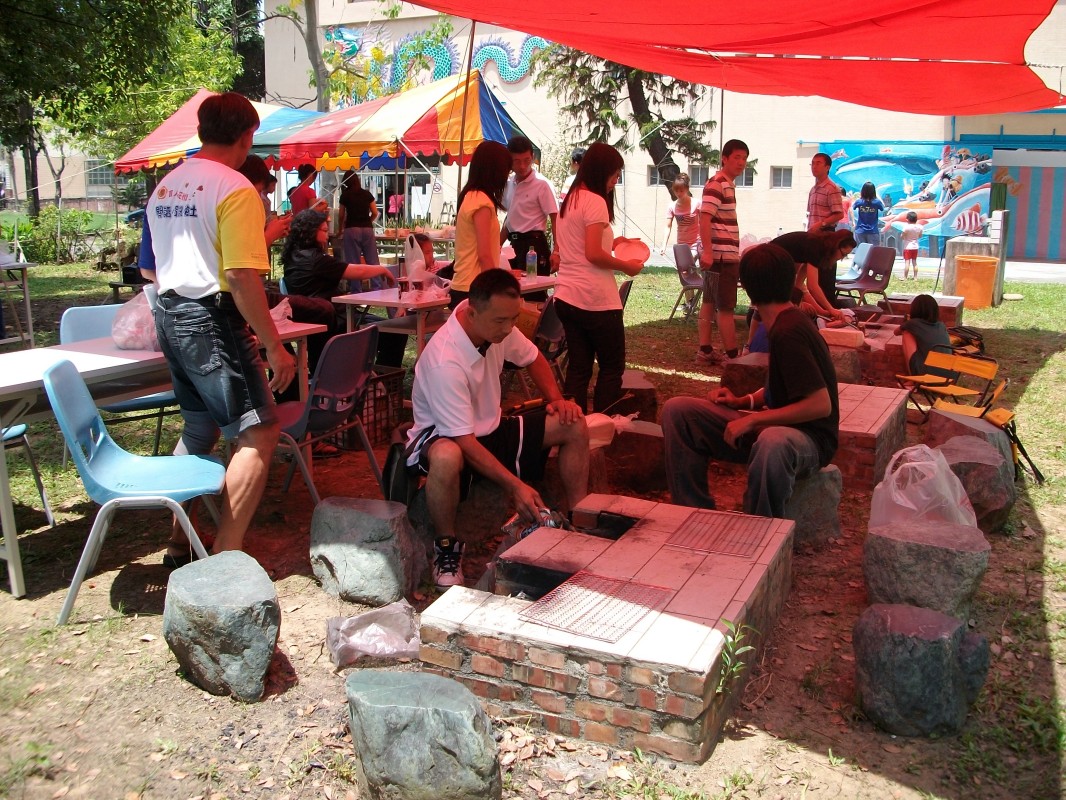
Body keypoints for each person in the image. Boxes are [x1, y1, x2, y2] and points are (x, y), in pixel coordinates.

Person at [144, 91, 296, 563]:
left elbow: (150, 267)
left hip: (169, 313)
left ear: (201, 130)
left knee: (198, 428)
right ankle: (226, 556)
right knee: (259, 432)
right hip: (211, 318)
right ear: (248, 137)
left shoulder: (166, 185)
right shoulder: (235, 188)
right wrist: (274, 346)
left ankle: (179, 541)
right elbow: (240, 275)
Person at [405, 269, 590, 588]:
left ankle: (581, 518)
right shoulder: (445, 359)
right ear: (472, 314)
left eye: (513, 319)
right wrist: (515, 486)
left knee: (572, 424)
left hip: (490, 429)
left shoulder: (496, 325)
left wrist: (557, 400)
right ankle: (446, 547)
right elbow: (463, 440)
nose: (508, 328)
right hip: (443, 436)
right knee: (447, 456)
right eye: (501, 321)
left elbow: (533, 357)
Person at [661, 243, 839, 518]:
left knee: (772, 442)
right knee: (679, 411)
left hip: (809, 441)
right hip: (775, 427)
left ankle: (759, 529)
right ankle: (694, 513)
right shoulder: (780, 323)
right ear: (790, 280)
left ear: (746, 287)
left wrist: (754, 420)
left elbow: (820, 405)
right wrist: (744, 401)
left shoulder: (789, 331)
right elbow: (785, 386)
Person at [554, 142, 645, 412]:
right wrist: (625, 266)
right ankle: (604, 423)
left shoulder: (571, 199)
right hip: (594, 299)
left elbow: (580, 244)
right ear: (602, 171)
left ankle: (575, 424)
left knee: (579, 368)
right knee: (611, 367)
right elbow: (593, 253)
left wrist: (614, 241)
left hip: (566, 295)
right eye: (615, 175)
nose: (615, 181)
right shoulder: (595, 201)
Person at [281, 208, 406, 367]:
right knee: (396, 332)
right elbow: (356, 271)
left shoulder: (292, 256)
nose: (327, 235)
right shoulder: (317, 260)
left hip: (320, 317)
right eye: (324, 231)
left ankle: (374, 374)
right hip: (335, 320)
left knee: (389, 329)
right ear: (311, 232)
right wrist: (382, 269)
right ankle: (382, 378)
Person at [697, 138, 749, 366]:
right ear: (724, 159)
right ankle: (732, 356)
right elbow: (704, 218)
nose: (741, 162)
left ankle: (705, 350)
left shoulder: (725, 184)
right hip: (721, 256)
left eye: (744, 158)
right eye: (737, 157)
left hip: (720, 255)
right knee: (725, 307)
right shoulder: (718, 183)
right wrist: (708, 252)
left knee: (709, 301)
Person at [450, 141, 512, 308]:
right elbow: (484, 254)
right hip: (474, 287)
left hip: (466, 285)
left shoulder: (471, 196)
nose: (507, 177)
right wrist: (495, 291)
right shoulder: (481, 202)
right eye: (506, 170)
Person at [502, 135, 560, 281]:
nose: (522, 166)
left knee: (534, 289)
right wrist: (496, 247)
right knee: (513, 289)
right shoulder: (509, 184)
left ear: (533, 157)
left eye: (526, 160)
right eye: (517, 161)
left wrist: (557, 251)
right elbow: (510, 219)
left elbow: (556, 219)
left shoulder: (542, 184)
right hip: (514, 245)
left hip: (534, 246)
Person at [772, 229, 856, 319]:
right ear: (836, 246)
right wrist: (831, 309)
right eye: (843, 254)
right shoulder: (817, 248)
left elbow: (799, 285)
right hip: (772, 261)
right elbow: (812, 286)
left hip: (777, 262)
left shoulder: (816, 246)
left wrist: (822, 312)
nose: (842, 259)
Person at [337, 171, 384, 287]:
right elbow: (375, 212)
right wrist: (368, 221)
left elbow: (341, 215)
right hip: (367, 229)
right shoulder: (367, 194)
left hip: (351, 228)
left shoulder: (345, 195)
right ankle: (377, 288)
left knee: (354, 262)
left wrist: (340, 229)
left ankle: (356, 290)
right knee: (373, 261)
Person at [897, 294, 951, 374]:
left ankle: (913, 376)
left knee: (906, 333)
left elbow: (896, 332)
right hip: (949, 373)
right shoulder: (941, 325)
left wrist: (907, 322)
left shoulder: (912, 323)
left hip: (926, 374)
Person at [661, 175, 699, 254]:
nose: (678, 193)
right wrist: (663, 246)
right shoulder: (672, 206)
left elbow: (705, 223)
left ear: (687, 189)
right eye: (676, 191)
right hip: (681, 244)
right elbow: (668, 226)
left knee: (690, 259)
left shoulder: (697, 203)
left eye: (681, 191)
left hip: (696, 243)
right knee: (683, 262)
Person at [807, 152, 844, 232]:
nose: (814, 166)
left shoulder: (832, 188)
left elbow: (839, 214)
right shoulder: (812, 190)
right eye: (813, 163)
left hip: (825, 233)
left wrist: (822, 224)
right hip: (812, 234)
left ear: (827, 167)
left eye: (818, 163)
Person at [852, 181, 884, 247]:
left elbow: (853, 207)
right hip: (873, 231)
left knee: (861, 250)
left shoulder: (859, 202)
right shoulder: (877, 202)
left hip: (860, 230)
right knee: (873, 251)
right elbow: (882, 208)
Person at [901, 211, 923, 279]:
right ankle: (915, 277)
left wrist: (904, 237)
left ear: (908, 219)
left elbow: (902, 236)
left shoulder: (906, 227)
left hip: (908, 247)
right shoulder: (920, 227)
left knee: (907, 262)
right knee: (914, 262)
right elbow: (920, 236)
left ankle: (905, 277)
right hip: (915, 247)